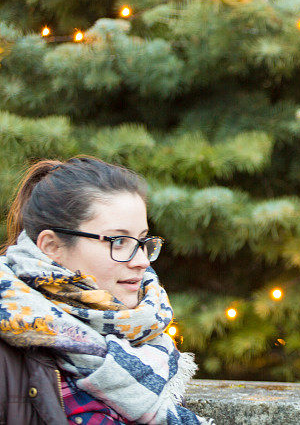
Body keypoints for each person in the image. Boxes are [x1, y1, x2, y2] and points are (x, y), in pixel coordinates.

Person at [0, 157, 212, 425]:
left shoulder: (145, 339)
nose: (142, 261)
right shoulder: (7, 347)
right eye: (119, 241)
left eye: (142, 241)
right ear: (52, 247)